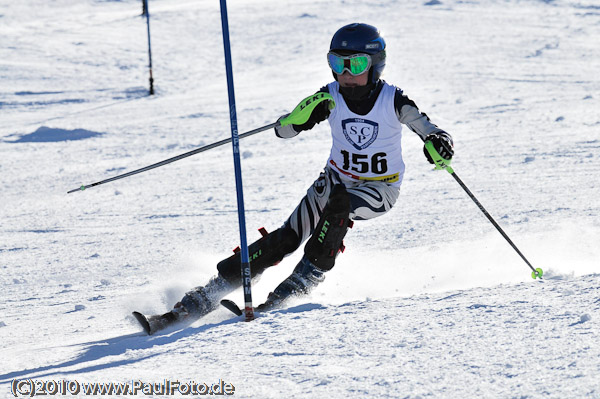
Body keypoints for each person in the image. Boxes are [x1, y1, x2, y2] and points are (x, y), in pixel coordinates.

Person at [134, 23, 454, 334]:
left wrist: (438, 144)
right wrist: (299, 118)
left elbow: (429, 129)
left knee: (338, 209)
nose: (345, 72)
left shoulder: (392, 100)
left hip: (379, 188)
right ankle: (200, 299)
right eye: (336, 63)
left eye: (355, 63)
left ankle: (293, 289)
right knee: (285, 238)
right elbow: (283, 131)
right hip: (334, 179)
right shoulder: (330, 96)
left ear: (375, 65)